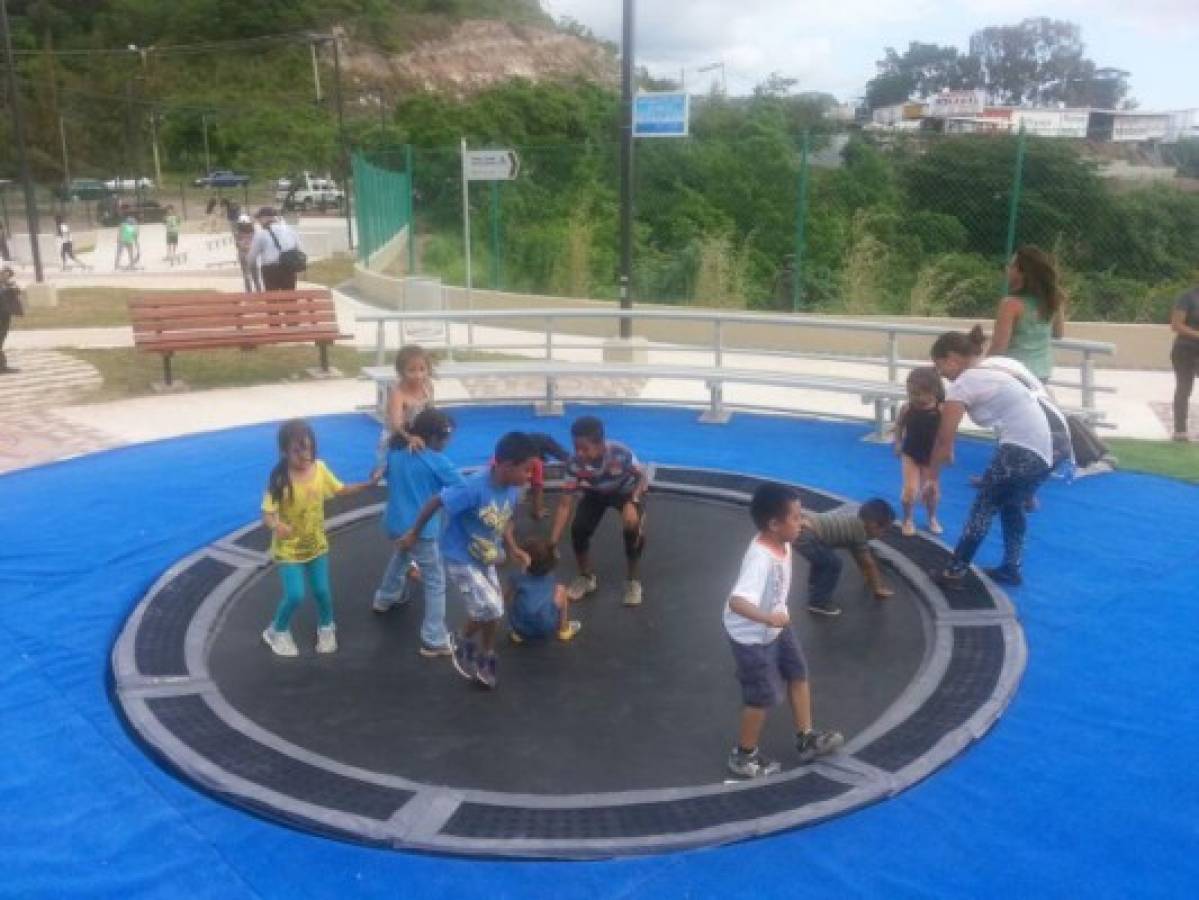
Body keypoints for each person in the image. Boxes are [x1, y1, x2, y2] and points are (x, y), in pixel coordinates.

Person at [724, 481, 844, 779]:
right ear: (774, 524)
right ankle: (743, 755)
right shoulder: (760, 559)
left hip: (777, 623)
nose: (801, 523)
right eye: (796, 518)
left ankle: (806, 738)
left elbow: (802, 538)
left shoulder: (783, 541)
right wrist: (767, 618)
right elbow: (737, 602)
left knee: (798, 674)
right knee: (761, 696)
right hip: (752, 636)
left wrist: (776, 618)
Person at [400, 431, 535, 690]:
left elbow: (505, 521)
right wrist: (414, 533)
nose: (529, 476)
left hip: (486, 557)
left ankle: (485, 654)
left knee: (493, 611)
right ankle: (460, 638)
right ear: (507, 466)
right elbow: (435, 501)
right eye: (527, 470)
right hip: (459, 557)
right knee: (493, 608)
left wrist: (515, 549)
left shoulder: (513, 491)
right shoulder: (473, 488)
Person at [930, 327, 1053, 588]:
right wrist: (1029, 489)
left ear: (952, 358)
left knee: (983, 507)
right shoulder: (995, 369)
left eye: (940, 367)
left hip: (1020, 449)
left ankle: (954, 572)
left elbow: (944, 437)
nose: (941, 375)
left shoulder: (965, 381)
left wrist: (932, 479)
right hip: (1047, 451)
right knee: (1012, 506)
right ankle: (1011, 567)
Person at [260, 419, 377, 657]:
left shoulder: (320, 469)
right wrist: (277, 525)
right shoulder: (280, 480)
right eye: (297, 451)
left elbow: (340, 489)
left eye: (308, 449)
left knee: (322, 591)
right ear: (284, 452)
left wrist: (366, 485)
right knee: (295, 594)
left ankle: (326, 626)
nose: (304, 456)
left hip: (315, 545)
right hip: (289, 550)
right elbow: (267, 513)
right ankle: (276, 630)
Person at [373, 408, 463, 658]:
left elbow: (382, 467)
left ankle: (385, 597)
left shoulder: (396, 453)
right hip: (420, 531)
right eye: (446, 438)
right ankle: (433, 638)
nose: (448, 443)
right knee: (435, 580)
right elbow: (462, 490)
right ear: (434, 437)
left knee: (402, 554)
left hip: (393, 523)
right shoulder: (437, 461)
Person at [550, 416, 649, 607]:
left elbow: (642, 477)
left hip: (626, 491)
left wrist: (634, 500)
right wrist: (552, 542)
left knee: (632, 527)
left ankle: (632, 582)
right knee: (578, 529)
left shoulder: (621, 453)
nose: (579, 453)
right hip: (595, 493)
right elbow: (564, 504)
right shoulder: (574, 463)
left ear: (601, 444)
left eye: (584, 448)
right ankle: (586, 578)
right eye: (576, 447)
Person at [796, 499, 896, 617]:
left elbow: (860, 559)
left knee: (824, 559)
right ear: (873, 525)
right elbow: (868, 563)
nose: (882, 535)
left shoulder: (853, 524)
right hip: (807, 535)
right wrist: (878, 588)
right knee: (833, 564)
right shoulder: (860, 533)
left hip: (807, 527)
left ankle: (816, 586)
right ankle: (818, 602)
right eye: (883, 531)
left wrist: (867, 577)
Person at [986, 245, 1065, 385]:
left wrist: (981, 369)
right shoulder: (1052, 299)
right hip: (1042, 372)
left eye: (1011, 267)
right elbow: (1058, 333)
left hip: (1015, 373)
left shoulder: (1010, 305)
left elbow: (999, 347)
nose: (1007, 270)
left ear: (1022, 273)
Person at [894, 366, 945, 536]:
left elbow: (947, 433)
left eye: (920, 394)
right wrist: (898, 442)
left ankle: (932, 517)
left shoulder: (941, 410)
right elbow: (899, 425)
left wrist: (946, 451)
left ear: (934, 391)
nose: (916, 398)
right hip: (911, 453)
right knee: (910, 490)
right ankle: (908, 519)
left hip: (931, 457)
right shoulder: (907, 408)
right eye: (911, 394)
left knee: (931, 491)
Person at [506, 537, 581, 643]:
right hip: (546, 627)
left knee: (517, 596)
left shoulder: (517, 577)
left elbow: (506, 598)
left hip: (518, 625)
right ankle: (564, 630)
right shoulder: (550, 577)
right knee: (561, 590)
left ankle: (518, 634)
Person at [375, 345, 435, 473]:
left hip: (418, 428)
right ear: (401, 371)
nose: (418, 375)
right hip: (398, 433)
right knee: (385, 468)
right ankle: (380, 473)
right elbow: (396, 424)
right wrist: (409, 437)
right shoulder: (398, 393)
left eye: (422, 369)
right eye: (412, 370)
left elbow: (431, 409)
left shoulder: (427, 385)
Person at [1169, 284, 1199, 441]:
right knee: (1184, 388)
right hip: (1185, 349)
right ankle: (1180, 430)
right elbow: (1176, 325)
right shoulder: (1187, 297)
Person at [246, 207, 302, 291]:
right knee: (289, 298)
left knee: (272, 299)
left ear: (265, 218)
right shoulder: (289, 229)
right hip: (289, 268)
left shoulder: (261, 234)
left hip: (270, 270)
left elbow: (252, 257)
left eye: (259, 219)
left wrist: (248, 264)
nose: (259, 222)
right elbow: (298, 248)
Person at [526, 432, 570, 519]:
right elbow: (537, 486)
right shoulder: (535, 462)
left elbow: (537, 486)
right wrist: (537, 510)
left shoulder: (535, 461)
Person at [0, 267, 23, 375]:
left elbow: (18, 291)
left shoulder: (9, 284)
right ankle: (2, 366)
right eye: (3, 273)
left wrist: (11, 286)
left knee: (1, 339)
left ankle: (2, 366)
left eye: (7, 273)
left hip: (5, 315)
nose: (5, 275)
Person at [234, 214, 261, 292]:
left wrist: (245, 247)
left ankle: (249, 292)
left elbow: (238, 244)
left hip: (243, 254)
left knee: (246, 275)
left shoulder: (238, 233)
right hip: (251, 254)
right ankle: (258, 291)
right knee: (254, 274)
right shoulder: (253, 232)